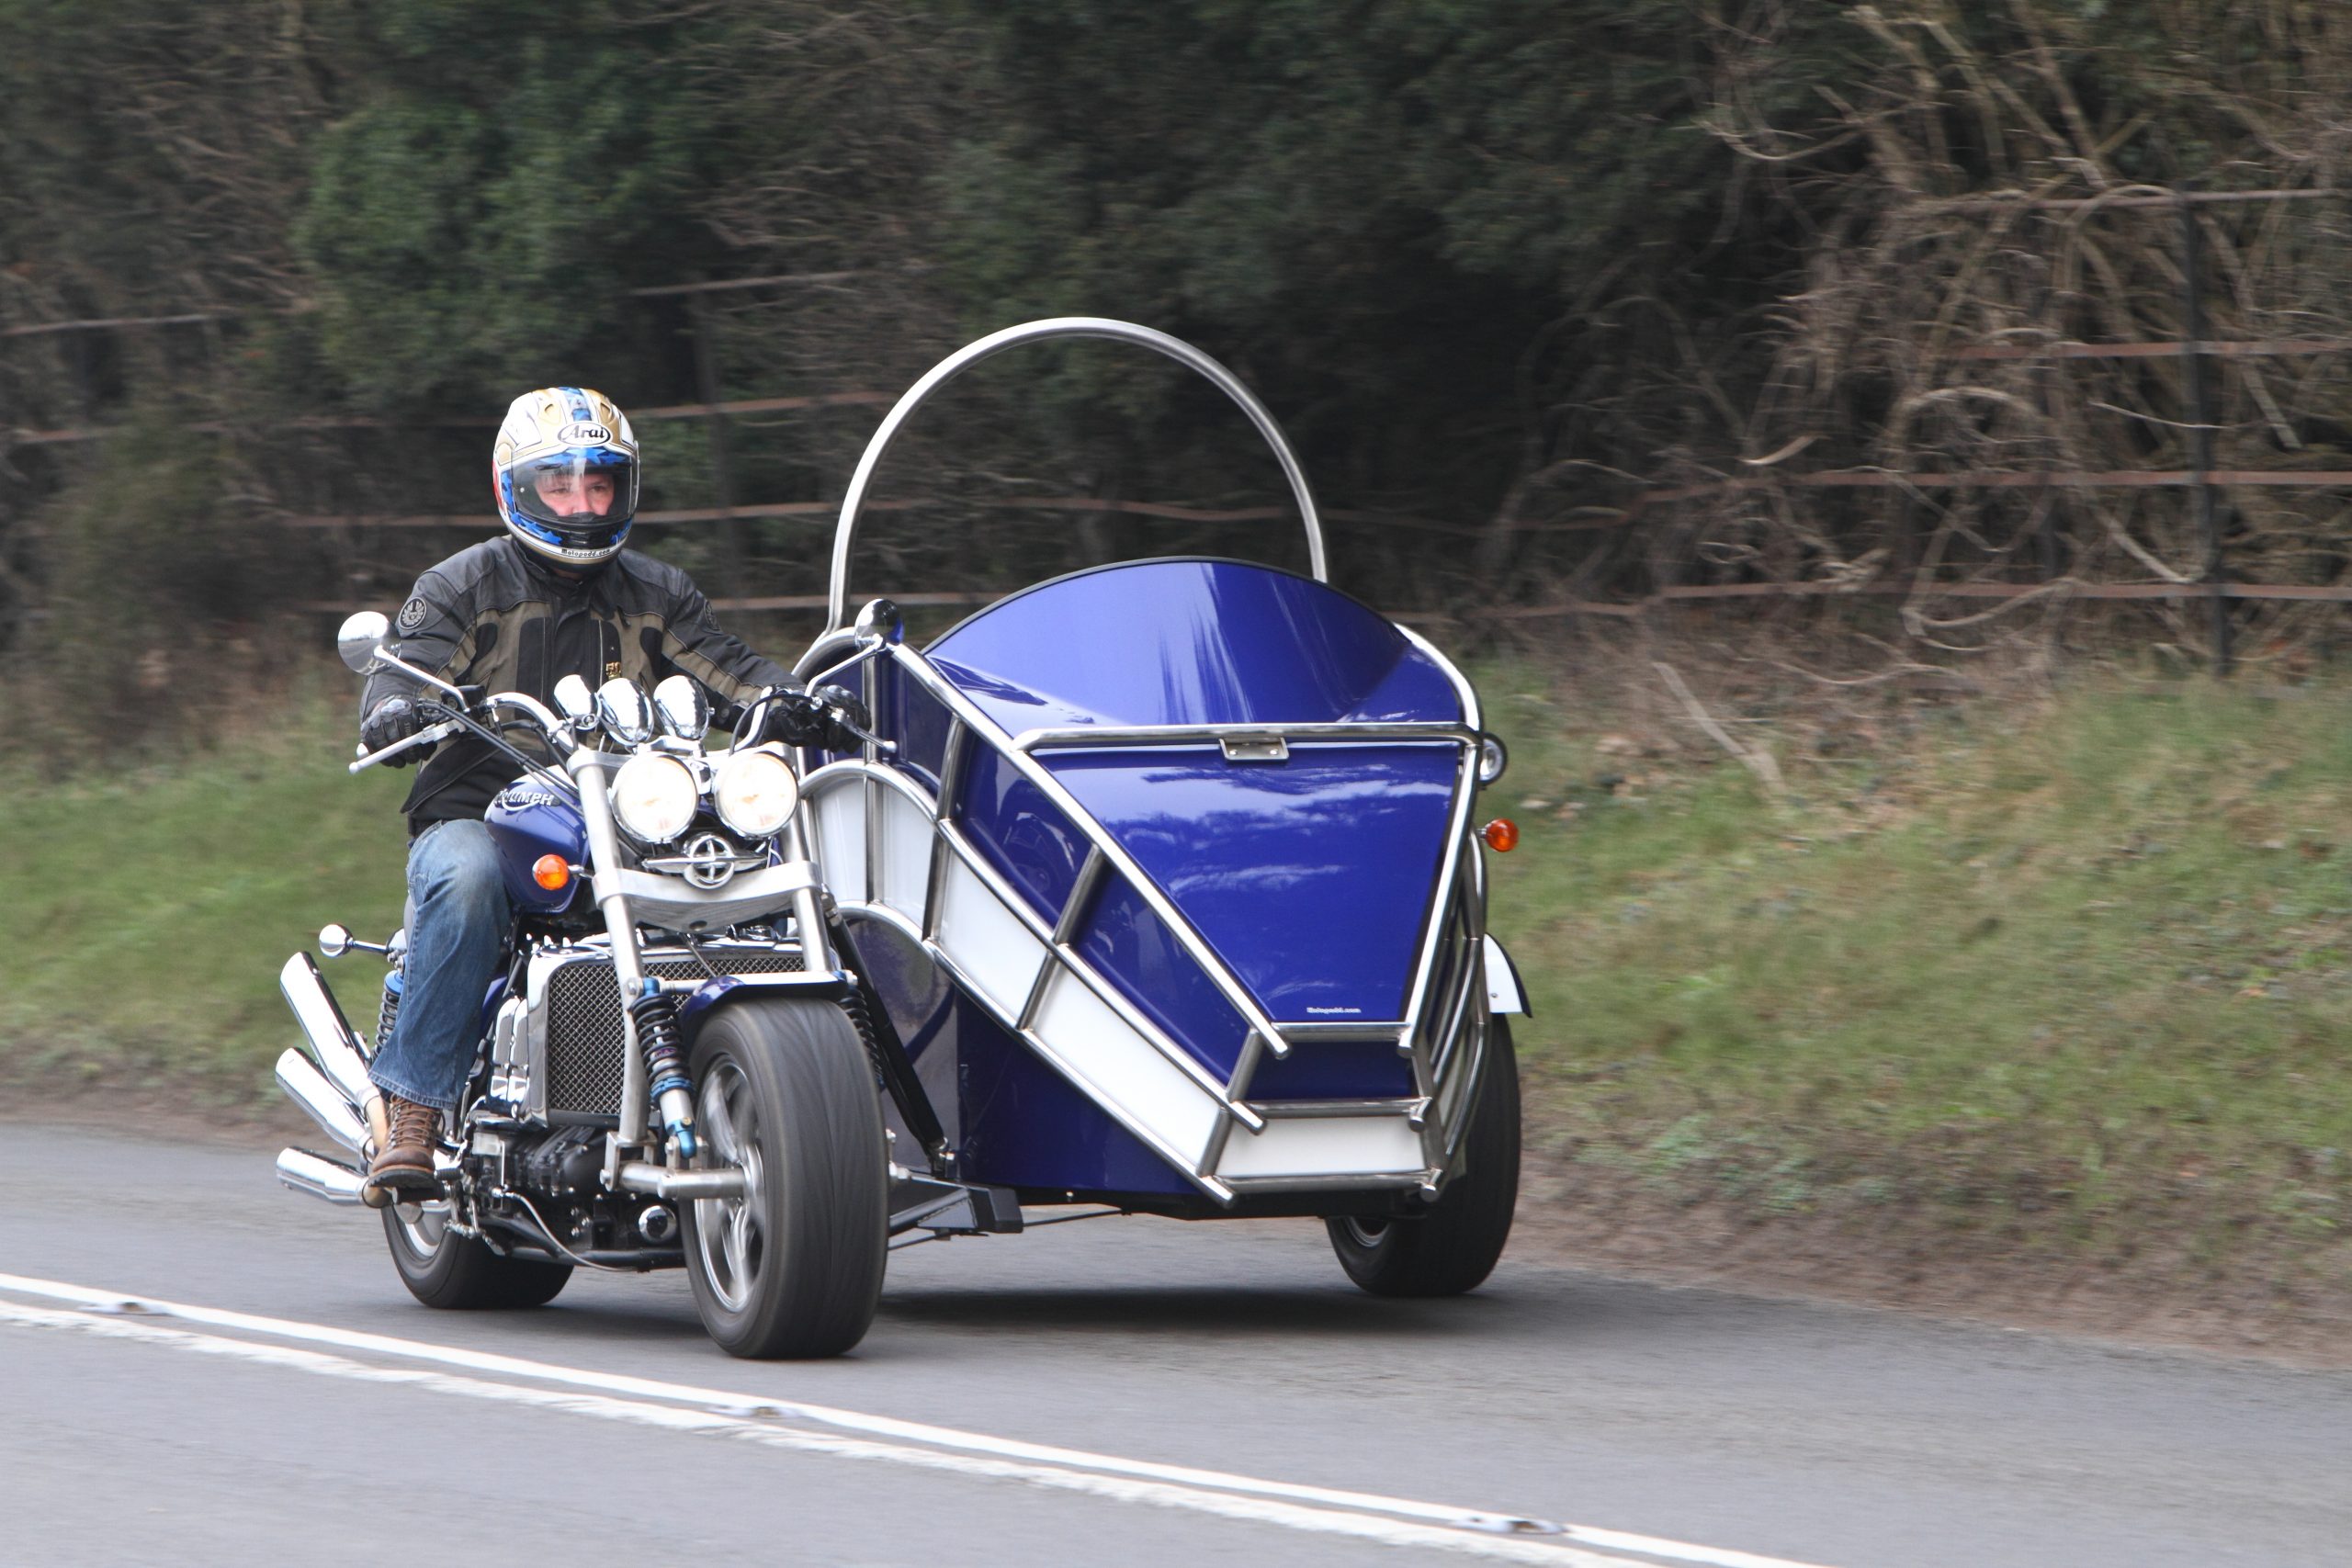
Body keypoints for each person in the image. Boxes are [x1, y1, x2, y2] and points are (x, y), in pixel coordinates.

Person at [356, 387, 849, 1200]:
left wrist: (803, 697)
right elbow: (399, 673)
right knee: (467, 879)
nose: (582, 505)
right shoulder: (461, 585)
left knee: (750, 875)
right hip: (481, 805)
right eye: (559, 485)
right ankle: (415, 1107)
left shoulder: (658, 592)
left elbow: (729, 668)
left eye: (599, 484)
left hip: (627, 816)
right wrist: (396, 710)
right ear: (513, 487)